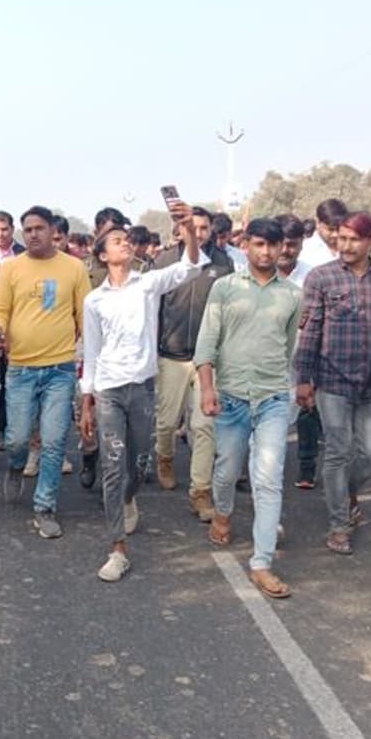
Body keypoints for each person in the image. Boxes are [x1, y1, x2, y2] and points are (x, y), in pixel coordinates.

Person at [81, 198, 206, 581]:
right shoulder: (94, 300)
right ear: (103, 255)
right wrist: (87, 401)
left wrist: (188, 229)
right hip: (109, 391)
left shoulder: (148, 284)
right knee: (112, 466)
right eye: (116, 240)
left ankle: (130, 497)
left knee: (137, 465)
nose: (124, 243)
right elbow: (91, 351)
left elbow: (190, 267)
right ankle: (117, 548)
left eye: (126, 239)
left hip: (142, 389)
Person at [194, 217, 302, 599]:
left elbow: (288, 346)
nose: (266, 252)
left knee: (269, 477)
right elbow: (207, 342)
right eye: (259, 244)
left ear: (282, 248)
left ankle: (262, 562)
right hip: (231, 396)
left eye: (273, 245)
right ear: (247, 246)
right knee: (226, 471)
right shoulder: (225, 288)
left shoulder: (292, 294)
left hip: (273, 397)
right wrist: (208, 389)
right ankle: (223, 512)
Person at [294, 212, 371, 554]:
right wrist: (303, 379)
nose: (346, 246)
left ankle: (344, 491)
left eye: (354, 239)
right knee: (337, 452)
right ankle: (339, 524)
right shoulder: (321, 277)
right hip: (332, 379)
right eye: (341, 238)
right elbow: (310, 330)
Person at [0, 205, 91, 539]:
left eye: (39, 228)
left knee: (54, 440)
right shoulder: (11, 268)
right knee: (17, 439)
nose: (33, 234)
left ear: (52, 231)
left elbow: (85, 315)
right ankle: (16, 465)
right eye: (28, 229)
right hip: (20, 367)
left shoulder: (74, 268)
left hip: (60, 369)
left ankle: (45, 506)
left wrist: (89, 360)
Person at [153, 205, 234, 513]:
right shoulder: (164, 262)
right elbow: (153, 309)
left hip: (208, 359)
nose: (198, 233)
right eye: (193, 227)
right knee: (166, 422)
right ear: (180, 228)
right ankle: (165, 457)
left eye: (204, 228)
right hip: (171, 355)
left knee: (204, 425)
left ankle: (200, 490)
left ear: (212, 230)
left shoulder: (223, 263)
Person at [276, 215, 320, 490]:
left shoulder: (313, 276)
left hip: (304, 357)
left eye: (292, 244)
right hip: (267, 360)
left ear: (302, 244)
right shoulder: (255, 274)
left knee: (306, 414)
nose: (285, 251)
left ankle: (306, 468)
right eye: (280, 244)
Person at [299, 198, 347, 268]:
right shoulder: (305, 250)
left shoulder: (349, 247)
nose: (335, 235)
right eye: (330, 229)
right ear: (318, 222)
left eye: (338, 229)